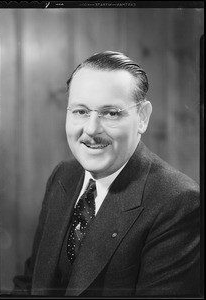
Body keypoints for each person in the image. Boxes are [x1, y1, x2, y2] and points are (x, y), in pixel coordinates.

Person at [13, 51, 200, 297]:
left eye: (111, 113)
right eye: (80, 111)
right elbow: (30, 283)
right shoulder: (63, 176)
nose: (91, 129)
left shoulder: (178, 203)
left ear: (142, 117)